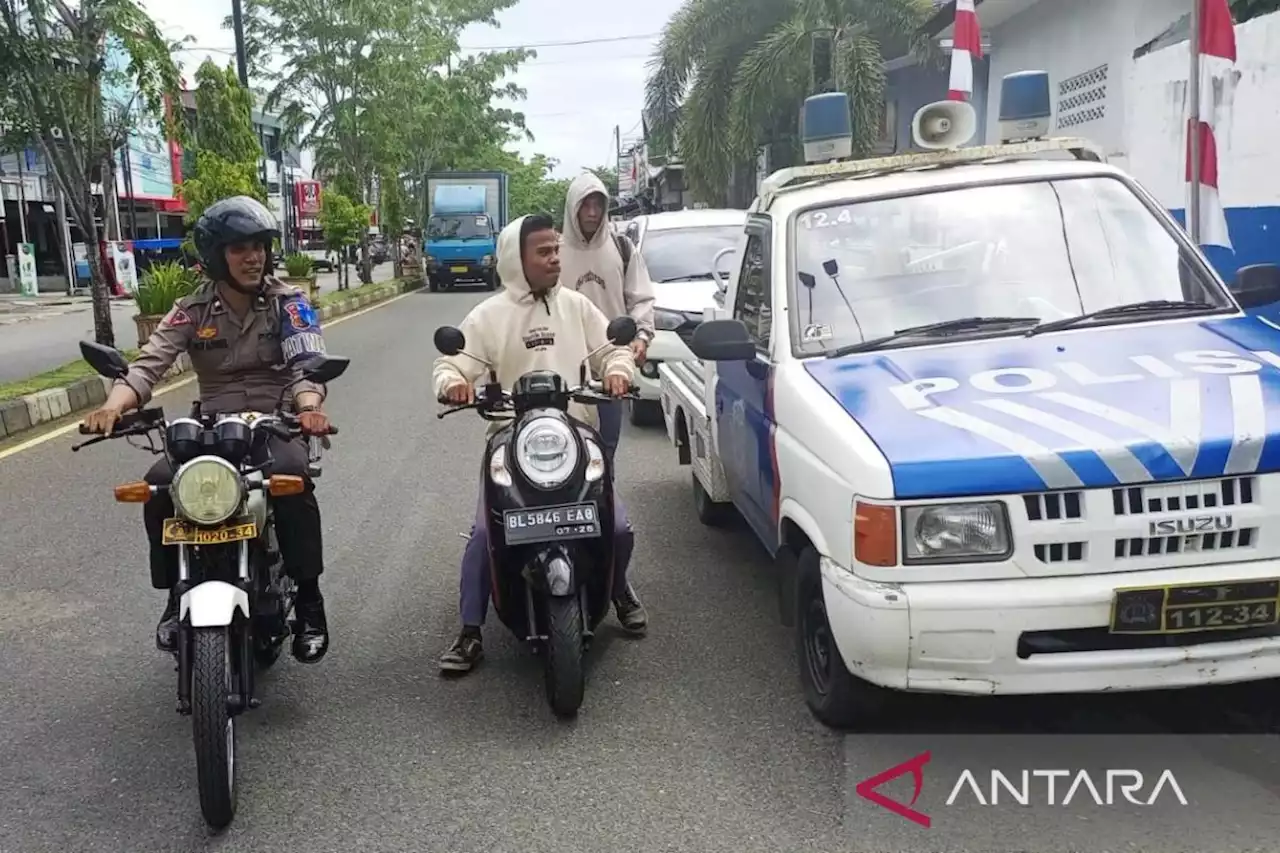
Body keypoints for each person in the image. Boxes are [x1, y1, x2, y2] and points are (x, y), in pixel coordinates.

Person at [81, 196, 336, 664]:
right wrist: (112, 408)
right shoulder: (192, 309)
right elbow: (147, 366)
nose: (253, 256)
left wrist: (308, 409)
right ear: (217, 254)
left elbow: (307, 365)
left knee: (294, 483)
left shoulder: (289, 303)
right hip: (214, 426)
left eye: (258, 246)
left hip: (275, 423)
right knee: (159, 485)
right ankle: (174, 595)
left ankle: (310, 599)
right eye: (239, 248)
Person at [433, 213, 649, 673]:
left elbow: (613, 348)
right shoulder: (488, 315)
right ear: (518, 258)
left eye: (557, 249)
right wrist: (453, 382)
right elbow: (451, 362)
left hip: (574, 431)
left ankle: (617, 587)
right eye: (544, 252)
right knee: (484, 535)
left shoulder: (576, 306)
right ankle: (470, 630)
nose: (555, 258)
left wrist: (617, 370)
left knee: (618, 527)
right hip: (511, 437)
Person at [559, 172, 655, 465]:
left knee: (606, 446)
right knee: (564, 446)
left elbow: (640, 298)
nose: (592, 212)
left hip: (611, 366)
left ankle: (605, 507)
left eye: (598, 204)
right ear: (572, 207)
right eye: (584, 204)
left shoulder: (621, 248)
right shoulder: (553, 253)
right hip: (564, 368)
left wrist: (641, 336)